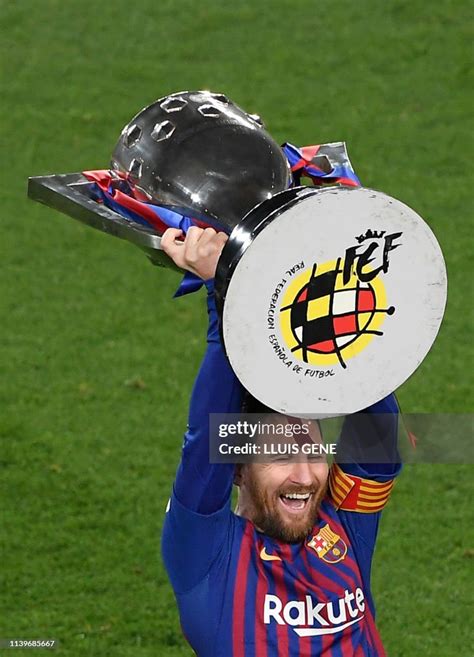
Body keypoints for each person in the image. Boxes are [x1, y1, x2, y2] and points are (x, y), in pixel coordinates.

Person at [161, 226, 401, 657]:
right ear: (235, 466)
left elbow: (376, 440)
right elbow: (205, 438)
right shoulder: (205, 555)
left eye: (312, 449)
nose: (306, 475)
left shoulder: (341, 523)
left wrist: (338, 273)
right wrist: (226, 295)